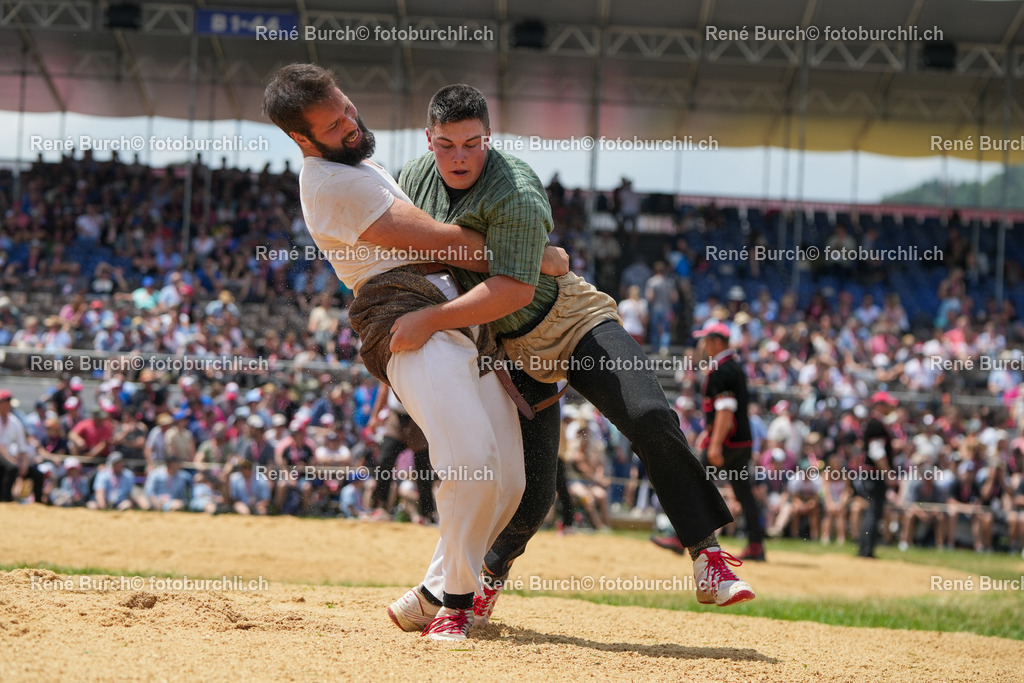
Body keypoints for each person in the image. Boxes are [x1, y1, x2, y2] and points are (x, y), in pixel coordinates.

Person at [391, 84, 755, 627]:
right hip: (507, 350)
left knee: (650, 414)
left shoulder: (515, 186)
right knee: (534, 496)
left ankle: (707, 555)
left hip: (569, 319)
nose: (460, 156)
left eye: (472, 142)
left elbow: (514, 289)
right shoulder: (411, 180)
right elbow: (410, 250)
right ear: (428, 140)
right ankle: (487, 577)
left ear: (489, 138)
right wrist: (521, 256)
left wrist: (430, 317)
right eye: (446, 144)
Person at [263, 64, 569, 640]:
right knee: (473, 462)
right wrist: (532, 256)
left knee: (509, 482)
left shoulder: (357, 163)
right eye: (334, 124)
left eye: (348, 108)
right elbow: (438, 241)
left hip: (453, 319)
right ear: (302, 139)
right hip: (406, 319)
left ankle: (430, 592)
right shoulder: (333, 183)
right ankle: (454, 603)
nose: (352, 124)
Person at [858, 391, 897, 558]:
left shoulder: (875, 423)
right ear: (880, 405)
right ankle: (867, 550)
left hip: (871, 474)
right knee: (874, 511)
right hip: (875, 475)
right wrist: (888, 474)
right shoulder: (876, 424)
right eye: (887, 404)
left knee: (873, 511)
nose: (891, 407)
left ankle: (866, 548)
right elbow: (877, 452)